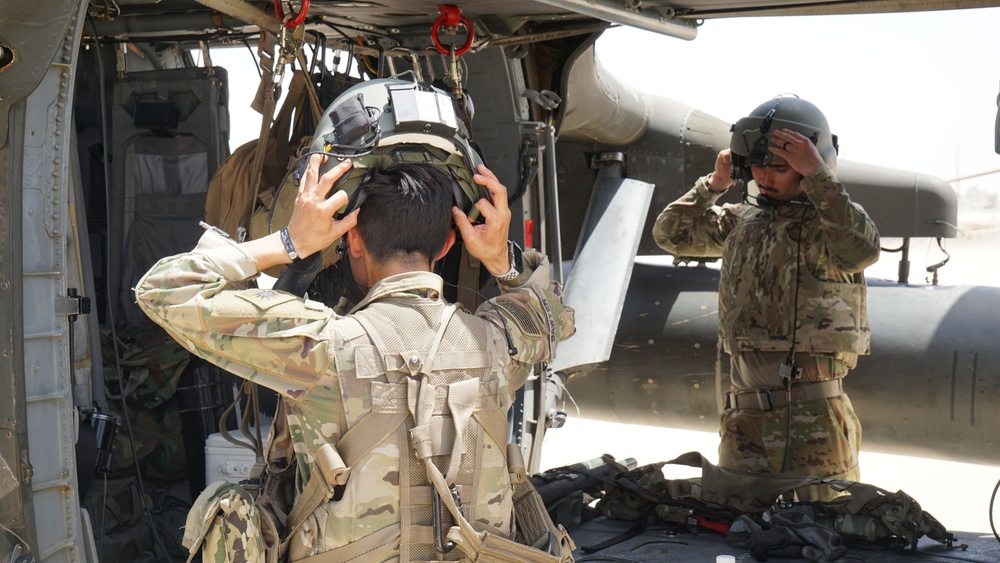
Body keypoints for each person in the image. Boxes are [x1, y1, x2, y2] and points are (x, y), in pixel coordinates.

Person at [135, 154, 575, 561]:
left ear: (354, 241)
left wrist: (291, 241)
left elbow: (163, 290)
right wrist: (502, 261)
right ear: (445, 246)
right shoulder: (499, 343)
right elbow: (552, 314)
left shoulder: (320, 344)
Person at [652, 96, 880, 501]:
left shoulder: (833, 223)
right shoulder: (741, 220)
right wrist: (715, 184)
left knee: (821, 527)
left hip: (813, 419)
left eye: (780, 167)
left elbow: (861, 249)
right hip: (744, 419)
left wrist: (819, 176)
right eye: (757, 166)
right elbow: (671, 233)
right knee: (740, 524)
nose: (766, 176)